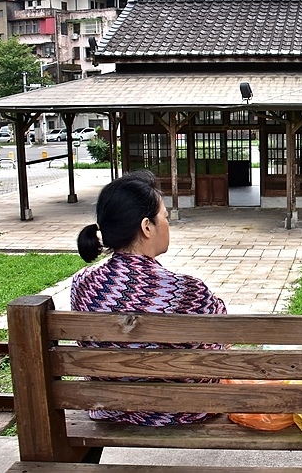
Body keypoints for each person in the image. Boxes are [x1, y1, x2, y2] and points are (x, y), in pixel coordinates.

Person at [72, 169, 227, 426]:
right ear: (147, 227)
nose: (167, 224)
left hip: (111, 408)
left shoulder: (83, 285)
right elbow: (219, 343)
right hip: (180, 412)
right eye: (164, 217)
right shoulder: (185, 291)